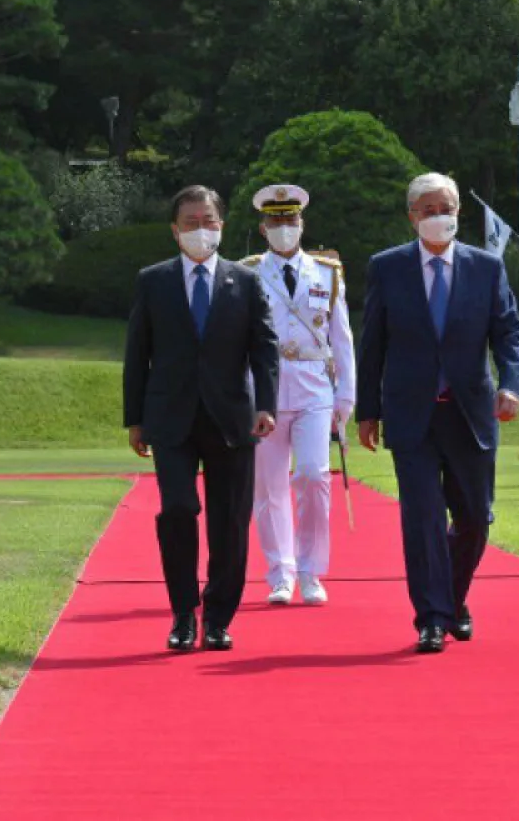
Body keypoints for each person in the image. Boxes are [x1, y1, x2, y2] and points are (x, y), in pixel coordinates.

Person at [356, 172, 519, 654]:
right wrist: (368, 409)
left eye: (445, 208)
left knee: (474, 518)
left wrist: (511, 386)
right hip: (412, 414)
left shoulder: (486, 268)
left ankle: (452, 597)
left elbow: (509, 333)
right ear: (412, 216)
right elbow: (374, 343)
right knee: (423, 517)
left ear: (458, 212)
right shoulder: (387, 268)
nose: (438, 217)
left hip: (470, 412)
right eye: (427, 210)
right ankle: (431, 616)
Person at [123, 185, 279, 652]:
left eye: (208, 221)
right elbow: (138, 353)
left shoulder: (245, 282)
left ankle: (216, 618)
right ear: (175, 230)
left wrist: (265, 405)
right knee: (178, 509)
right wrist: (135, 418)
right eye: (190, 222)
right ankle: (182, 614)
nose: (200, 229)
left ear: (222, 227)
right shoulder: (153, 281)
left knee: (229, 522)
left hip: (232, 418)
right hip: (169, 416)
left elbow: (264, 348)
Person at [242, 183, 354, 607]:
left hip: (313, 386)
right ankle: (280, 572)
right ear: (263, 226)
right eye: (276, 220)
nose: (284, 226)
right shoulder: (249, 271)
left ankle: (310, 570)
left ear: (302, 223)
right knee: (268, 487)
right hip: (264, 389)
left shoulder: (327, 272)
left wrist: (346, 397)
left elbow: (341, 339)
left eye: (290, 219)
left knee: (311, 475)